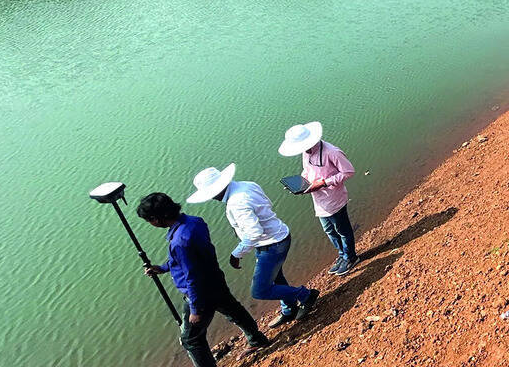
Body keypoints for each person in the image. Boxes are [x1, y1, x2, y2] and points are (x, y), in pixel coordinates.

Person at [136, 192, 270, 367]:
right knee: (234, 311)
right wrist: (162, 268)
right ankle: (256, 339)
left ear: (157, 219)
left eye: (149, 220)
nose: (151, 224)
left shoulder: (179, 241)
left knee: (191, 339)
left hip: (200, 294)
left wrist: (195, 309)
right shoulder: (195, 222)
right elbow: (189, 259)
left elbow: (192, 276)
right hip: (215, 280)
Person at [186, 164, 319, 328]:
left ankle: (306, 295)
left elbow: (255, 233)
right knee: (276, 278)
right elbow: (267, 204)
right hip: (279, 235)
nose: (212, 198)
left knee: (260, 290)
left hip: (271, 245)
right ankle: (288, 309)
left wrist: (236, 254)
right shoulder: (246, 185)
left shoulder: (236, 203)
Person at [279, 121, 358, 276]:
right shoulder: (306, 153)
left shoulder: (331, 152)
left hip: (334, 199)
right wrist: (300, 184)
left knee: (342, 230)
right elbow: (307, 171)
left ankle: (351, 257)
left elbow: (349, 171)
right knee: (329, 230)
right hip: (319, 200)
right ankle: (342, 255)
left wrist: (324, 183)